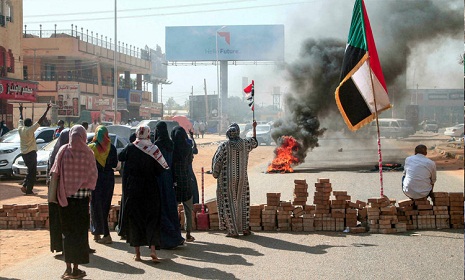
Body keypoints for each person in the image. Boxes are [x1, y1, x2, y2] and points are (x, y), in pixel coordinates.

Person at [50, 125, 98, 280]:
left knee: (68, 233)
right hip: (82, 202)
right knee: (80, 233)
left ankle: (68, 269)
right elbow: (93, 176)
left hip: (65, 200)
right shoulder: (89, 153)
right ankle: (76, 269)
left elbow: (55, 171)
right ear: (84, 136)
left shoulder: (63, 151)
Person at [118, 125, 169, 263]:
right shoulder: (153, 149)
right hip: (150, 188)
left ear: (137, 134)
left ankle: (138, 254)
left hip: (134, 188)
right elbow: (161, 170)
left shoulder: (130, 147)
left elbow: (120, 156)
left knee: (135, 219)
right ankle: (152, 250)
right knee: (152, 218)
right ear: (148, 134)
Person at [212, 121, 258, 237]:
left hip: (227, 179)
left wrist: (215, 174)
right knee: (243, 202)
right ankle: (245, 229)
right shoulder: (245, 144)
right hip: (242, 178)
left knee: (229, 203)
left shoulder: (224, 146)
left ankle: (233, 231)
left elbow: (217, 162)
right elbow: (255, 142)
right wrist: (254, 128)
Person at [154, 121, 185, 249]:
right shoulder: (171, 144)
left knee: (161, 209)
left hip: (159, 179)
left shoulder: (156, 146)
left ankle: (169, 238)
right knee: (170, 207)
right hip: (169, 178)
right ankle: (176, 235)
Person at [89, 126, 118, 244]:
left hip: (95, 179)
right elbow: (115, 164)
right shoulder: (112, 148)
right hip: (108, 179)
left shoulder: (91, 148)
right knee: (105, 206)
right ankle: (102, 233)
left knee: (95, 205)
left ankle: (99, 232)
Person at [18, 103, 51, 195]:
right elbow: (40, 120)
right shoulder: (30, 130)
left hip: (24, 153)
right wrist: (47, 109)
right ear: (30, 124)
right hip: (31, 153)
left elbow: (20, 119)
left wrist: (20, 110)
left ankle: (25, 185)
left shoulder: (21, 129)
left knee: (30, 170)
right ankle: (28, 189)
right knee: (32, 172)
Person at [171, 126, 196, 242]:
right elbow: (190, 160)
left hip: (174, 181)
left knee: (173, 209)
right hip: (186, 180)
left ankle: (175, 232)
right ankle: (188, 233)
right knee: (188, 210)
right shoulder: (188, 148)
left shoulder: (172, 148)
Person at [187, 129, 199, 204]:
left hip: (179, 175)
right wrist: (192, 137)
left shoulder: (174, 148)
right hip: (189, 173)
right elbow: (195, 150)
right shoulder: (187, 148)